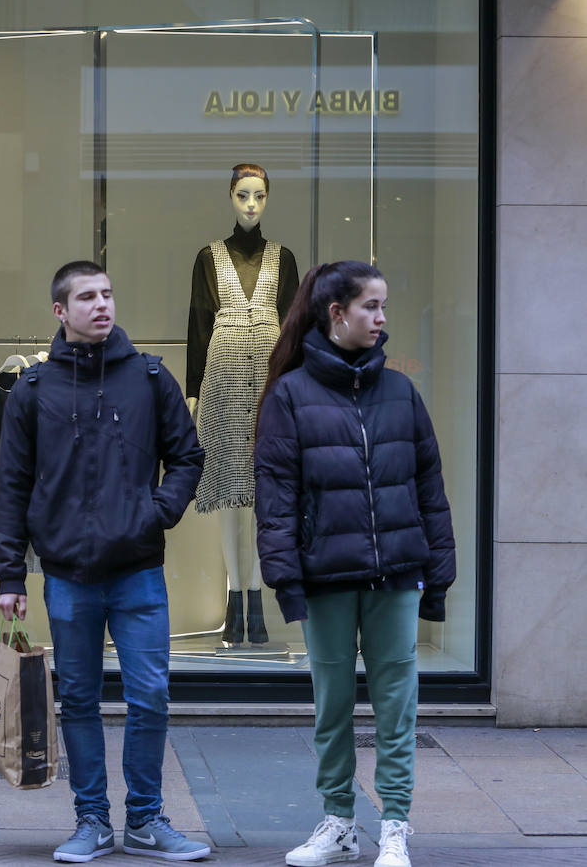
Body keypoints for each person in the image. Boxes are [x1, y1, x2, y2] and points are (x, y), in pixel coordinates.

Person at [0, 261, 210, 863]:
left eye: (108, 294)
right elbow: (9, 486)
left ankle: (144, 820)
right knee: (80, 700)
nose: (102, 305)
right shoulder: (33, 390)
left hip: (138, 566)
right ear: (60, 312)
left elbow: (188, 455)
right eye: (86, 297)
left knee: (150, 697)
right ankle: (91, 820)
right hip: (66, 573)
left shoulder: (149, 377)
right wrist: (10, 574)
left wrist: (156, 511)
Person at [254, 261, 455, 867]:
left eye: (384, 306)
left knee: (399, 704)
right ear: (336, 313)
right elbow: (276, 495)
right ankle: (339, 821)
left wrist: (437, 574)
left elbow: (429, 487)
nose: (382, 318)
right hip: (327, 577)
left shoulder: (400, 390)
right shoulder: (290, 394)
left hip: (396, 574)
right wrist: (286, 576)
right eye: (372, 307)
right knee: (331, 705)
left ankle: (395, 825)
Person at [186, 162, 300, 645]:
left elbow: (295, 330)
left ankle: (256, 595)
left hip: (270, 384)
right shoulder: (208, 258)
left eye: (259, 196)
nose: (251, 205)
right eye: (242, 196)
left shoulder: (284, 259)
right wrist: (192, 393)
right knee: (227, 486)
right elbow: (196, 326)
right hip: (221, 382)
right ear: (230, 198)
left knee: (262, 489)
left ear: (268, 198)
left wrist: (297, 392)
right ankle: (236, 595)